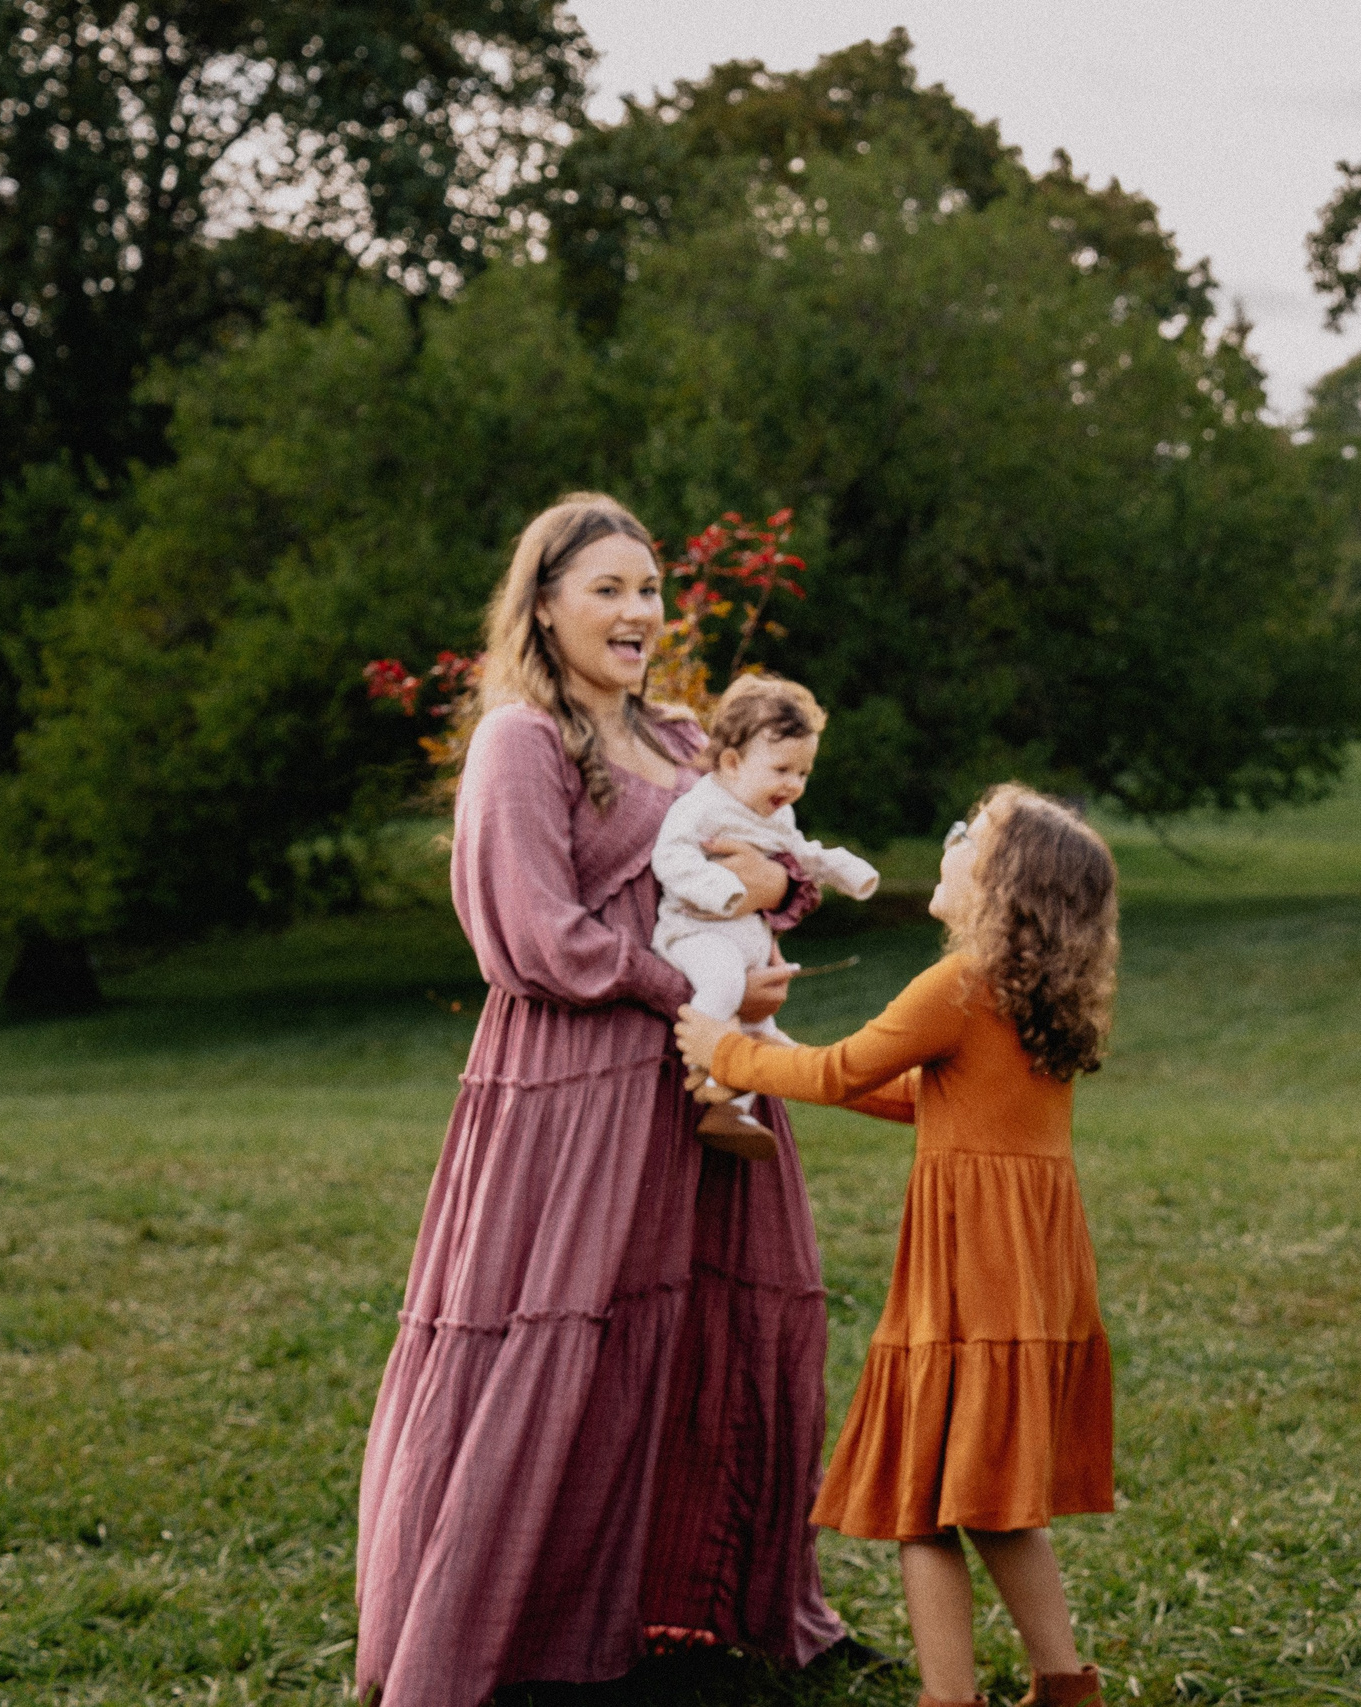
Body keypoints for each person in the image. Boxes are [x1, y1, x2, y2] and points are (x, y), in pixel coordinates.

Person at [356, 494, 857, 1706]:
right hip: (575, 1095)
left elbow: (764, 864)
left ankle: (694, 1608)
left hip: (708, 1081)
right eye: (609, 591)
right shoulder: (519, 742)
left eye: (650, 591)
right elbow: (530, 935)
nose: (639, 614)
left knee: (713, 1334)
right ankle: (514, 1643)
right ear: (543, 606)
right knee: (563, 1349)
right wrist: (676, 981)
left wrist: (766, 946)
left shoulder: (689, 739)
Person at [676, 784, 1119, 1707]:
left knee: (926, 1500)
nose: (950, 842)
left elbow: (842, 1071)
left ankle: (953, 1698)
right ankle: (1064, 1685)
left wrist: (725, 1049)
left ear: (1002, 886)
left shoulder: (957, 985)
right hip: (1027, 1277)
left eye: (970, 836)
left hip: (969, 1280)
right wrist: (772, 1051)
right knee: (996, 1502)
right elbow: (926, 1097)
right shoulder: (1028, 997)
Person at [651, 672, 879, 1153]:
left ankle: (730, 1112)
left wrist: (842, 869)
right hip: (695, 930)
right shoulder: (703, 806)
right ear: (732, 762)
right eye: (782, 770)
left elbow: (799, 854)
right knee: (725, 985)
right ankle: (705, 1065)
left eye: (803, 772)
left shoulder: (777, 814)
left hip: (745, 941)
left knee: (762, 1029)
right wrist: (723, 889)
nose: (794, 784)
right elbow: (670, 857)